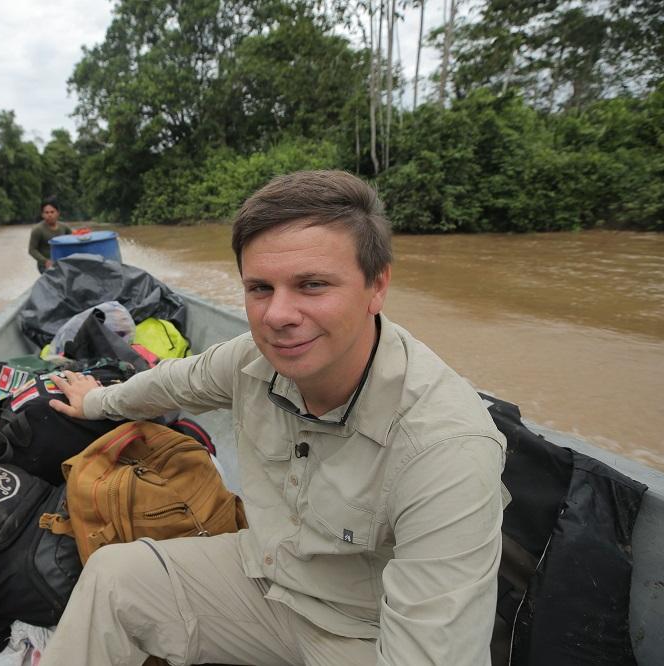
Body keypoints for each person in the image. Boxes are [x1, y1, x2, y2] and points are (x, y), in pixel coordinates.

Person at [43, 170, 507, 665]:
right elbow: (170, 383)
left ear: (377, 286)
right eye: (260, 288)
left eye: (312, 285)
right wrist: (93, 402)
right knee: (115, 576)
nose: (277, 315)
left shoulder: (446, 446)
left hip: (362, 632)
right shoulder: (250, 361)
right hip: (265, 578)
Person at [28, 197, 72, 273]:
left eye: (52, 212)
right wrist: (45, 261)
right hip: (45, 265)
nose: (50, 215)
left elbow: (73, 242)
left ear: (58, 213)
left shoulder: (65, 228)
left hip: (62, 263)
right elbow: (32, 250)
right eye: (47, 212)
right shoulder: (37, 230)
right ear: (42, 214)